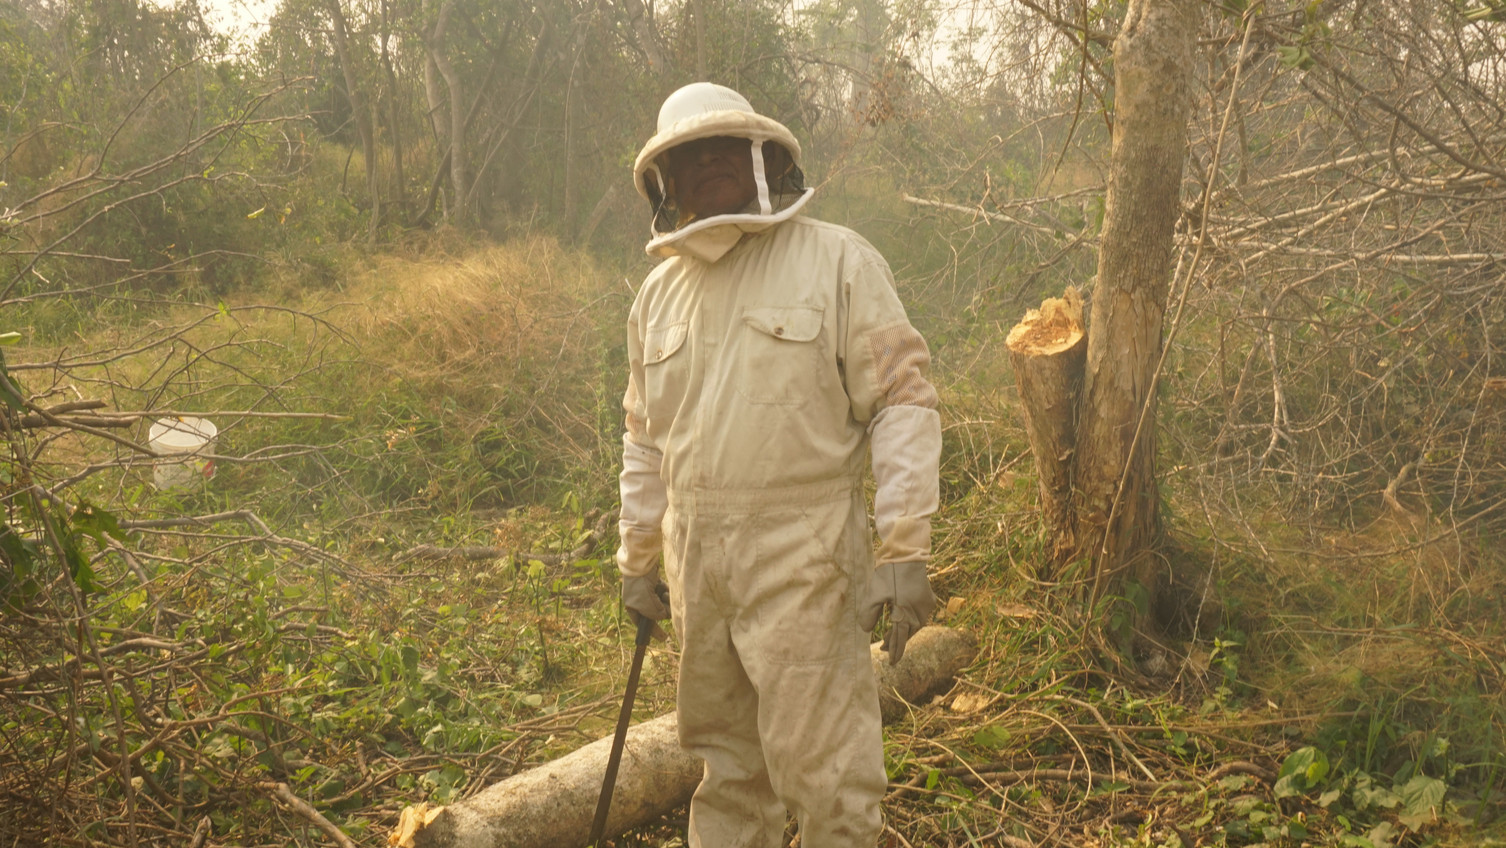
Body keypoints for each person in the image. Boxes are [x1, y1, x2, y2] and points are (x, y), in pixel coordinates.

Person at [613, 81, 941, 848]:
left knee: (828, 776)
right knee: (727, 772)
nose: (711, 163)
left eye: (728, 145)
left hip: (806, 558)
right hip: (696, 563)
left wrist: (904, 546)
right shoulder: (657, 297)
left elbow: (902, 400)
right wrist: (636, 555)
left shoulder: (836, 259)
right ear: (668, 181)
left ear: (768, 156)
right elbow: (643, 439)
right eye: (692, 154)